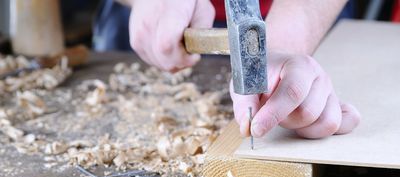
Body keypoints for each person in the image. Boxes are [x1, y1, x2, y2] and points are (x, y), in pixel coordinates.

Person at [99, 0, 361, 139]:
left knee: (300, 95)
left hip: (299, 10)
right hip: (153, 11)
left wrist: (279, 47)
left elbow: (258, 46)